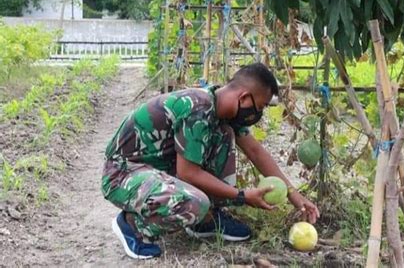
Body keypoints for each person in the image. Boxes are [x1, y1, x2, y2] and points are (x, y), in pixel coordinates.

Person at [101, 63, 320, 259]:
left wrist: (294, 194)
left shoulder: (220, 108)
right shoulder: (196, 108)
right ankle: (133, 226)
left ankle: (205, 220)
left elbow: (255, 150)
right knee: (196, 202)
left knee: (224, 133)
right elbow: (188, 173)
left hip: (157, 169)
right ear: (244, 98)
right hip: (123, 174)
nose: (257, 114)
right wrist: (242, 196)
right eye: (259, 107)